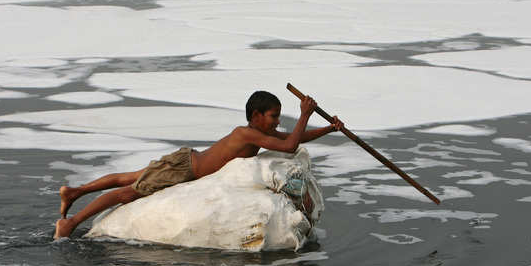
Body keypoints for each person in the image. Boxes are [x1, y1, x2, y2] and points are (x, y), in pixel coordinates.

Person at [54, 90, 344, 238]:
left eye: (278, 116)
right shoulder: (247, 133)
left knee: (128, 178)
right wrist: (305, 112)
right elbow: (290, 144)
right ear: (256, 116)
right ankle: (71, 223)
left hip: (186, 161)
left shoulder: (260, 134)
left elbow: (293, 138)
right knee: (127, 192)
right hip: (184, 169)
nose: (277, 122)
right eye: (273, 116)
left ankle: (74, 192)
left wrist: (329, 129)